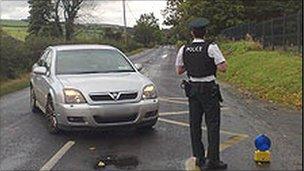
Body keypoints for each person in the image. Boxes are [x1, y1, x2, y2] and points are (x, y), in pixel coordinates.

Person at [175, 17, 228, 170]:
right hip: (209, 90)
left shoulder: (184, 49)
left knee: (195, 124)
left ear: (192, 33)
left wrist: (191, 65)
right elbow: (223, 68)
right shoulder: (211, 47)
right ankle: (213, 161)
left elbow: (179, 70)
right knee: (212, 124)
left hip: (192, 90)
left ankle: (199, 158)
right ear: (205, 32)